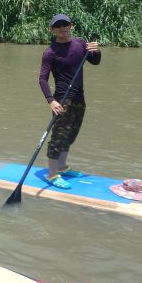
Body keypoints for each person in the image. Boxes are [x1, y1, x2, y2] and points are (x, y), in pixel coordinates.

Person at [38, 13, 101, 189]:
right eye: (57, 26)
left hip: (79, 99)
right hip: (62, 101)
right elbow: (42, 79)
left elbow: (95, 62)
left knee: (71, 135)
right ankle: (52, 174)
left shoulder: (80, 43)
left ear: (71, 26)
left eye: (65, 24)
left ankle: (63, 167)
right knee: (58, 139)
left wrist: (97, 51)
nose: (62, 28)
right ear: (52, 30)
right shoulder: (50, 52)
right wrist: (51, 100)